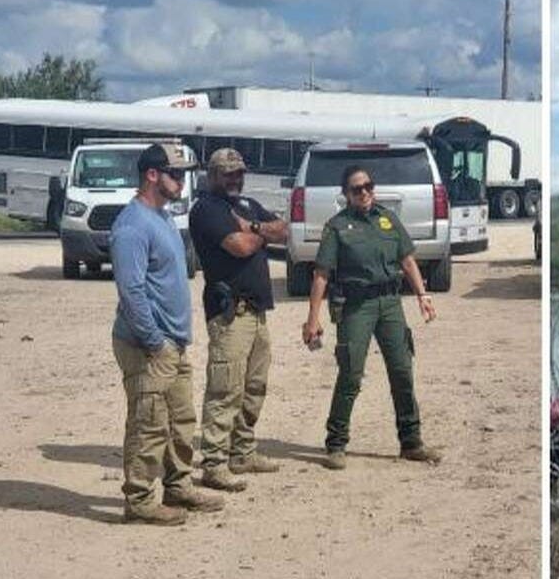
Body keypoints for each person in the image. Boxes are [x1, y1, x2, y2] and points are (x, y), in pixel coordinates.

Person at [110, 144, 225, 524]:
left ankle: (178, 487)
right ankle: (140, 500)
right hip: (148, 345)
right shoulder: (131, 225)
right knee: (148, 422)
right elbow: (132, 291)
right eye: (176, 174)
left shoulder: (160, 217)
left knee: (180, 420)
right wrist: (153, 341)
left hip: (171, 344)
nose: (183, 181)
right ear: (152, 175)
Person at [302, 166, 441, 469]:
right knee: (351, 374)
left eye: (368, 186)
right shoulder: (337, 227)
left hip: (390, 303)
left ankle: (411, 442)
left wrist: (422, 295)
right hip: (357, 306)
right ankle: (336, 444)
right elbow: (322, 274)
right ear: (346, 195)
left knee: (402, 371)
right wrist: (313, 319)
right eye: (356, 189)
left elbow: (407, 260)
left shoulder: (387, 219)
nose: (364, 192)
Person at [189, 148, 289, 492]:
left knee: (254, 385)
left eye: (239, 172)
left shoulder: (247, 207)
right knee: (225, 387)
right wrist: (259, 234)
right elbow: (241, 246)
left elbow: (284, 230)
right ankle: (214, 462)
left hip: (257, 311)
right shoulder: (206, 209)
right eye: (228, 173)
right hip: (230, 313)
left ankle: (242, 450)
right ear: (213, 175)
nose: (235, 179)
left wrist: (257, 227)